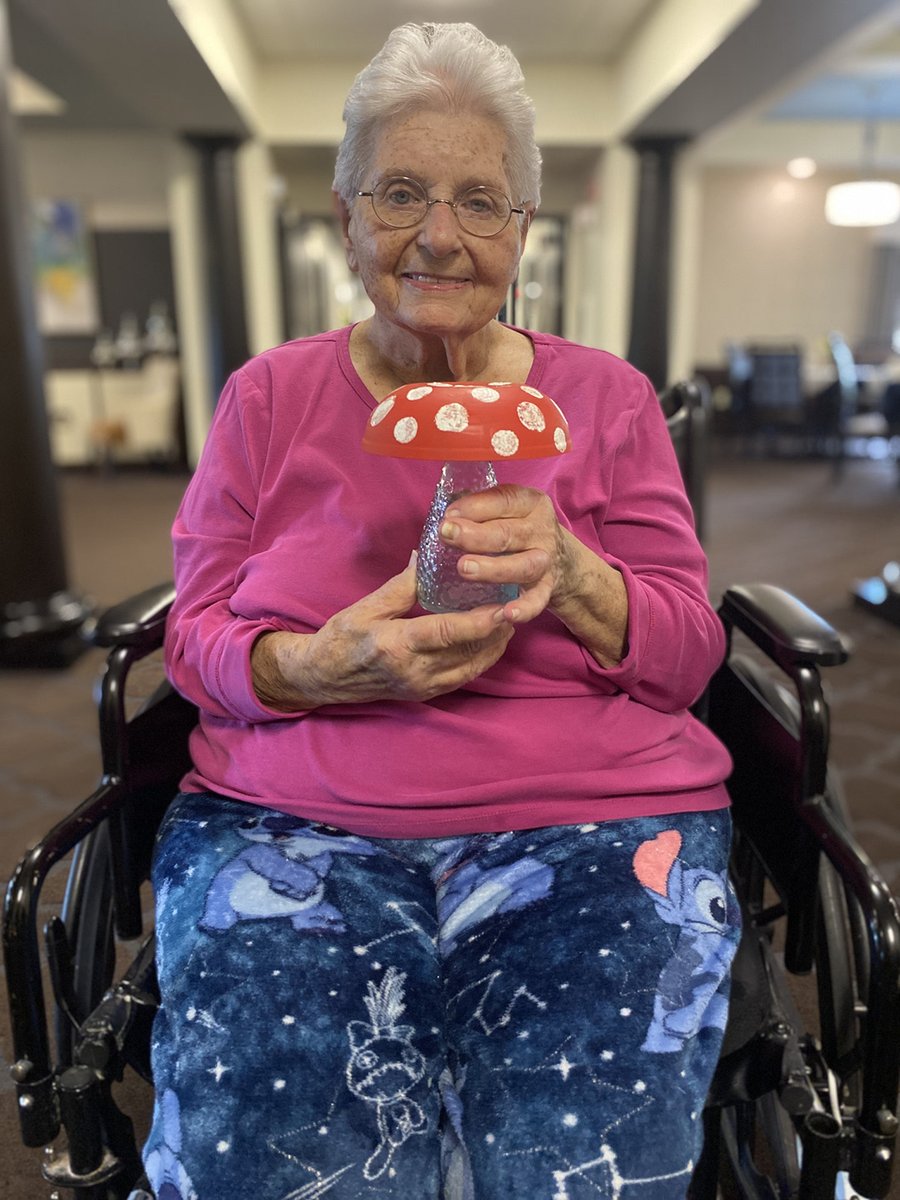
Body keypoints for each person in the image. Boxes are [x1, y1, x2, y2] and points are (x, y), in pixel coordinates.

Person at [134, 22, 740, 1200]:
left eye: (481, 201)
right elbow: (195, 640)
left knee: (577, 1165)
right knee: (283, 1160)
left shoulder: (606, 400)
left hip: (598, 822)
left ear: (522, 231)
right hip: (294, 823)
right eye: (401, 192)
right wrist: (307, 668)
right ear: (347, 214)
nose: (442, 235)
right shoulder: (267, 398)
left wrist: (572, 570)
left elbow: (687, 653)